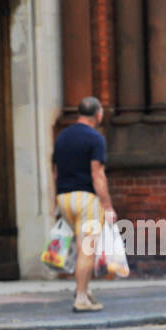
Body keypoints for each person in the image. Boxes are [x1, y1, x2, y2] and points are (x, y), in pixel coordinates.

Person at [52, 96, 116, 312]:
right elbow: (97, 174)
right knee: (86, 250)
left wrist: (56, 202)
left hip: (64, 198)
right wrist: (107, 206)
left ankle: (86, 291)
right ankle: (80, 297)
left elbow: (55, 173)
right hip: (86, 199)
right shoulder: (95, 138)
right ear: (98, 115)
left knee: (81, 248)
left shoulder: (61, 137)